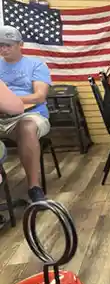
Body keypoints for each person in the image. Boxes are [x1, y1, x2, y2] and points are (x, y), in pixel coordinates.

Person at [0, 26, 52, 203]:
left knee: (27, 128)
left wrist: (10, 101)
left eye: (8, 45)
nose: (4, 49)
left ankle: (34, 187)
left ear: (20, 44)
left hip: (31, 115)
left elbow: (39, 96)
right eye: (0, 45)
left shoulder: (36, 65)